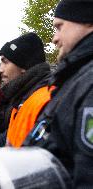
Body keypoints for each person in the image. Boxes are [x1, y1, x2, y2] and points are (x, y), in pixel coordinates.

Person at [25, 0, 93, 188]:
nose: (54, 38)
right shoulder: (78, 77)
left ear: (88, 21)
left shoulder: (88, 81)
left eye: (59, 27)